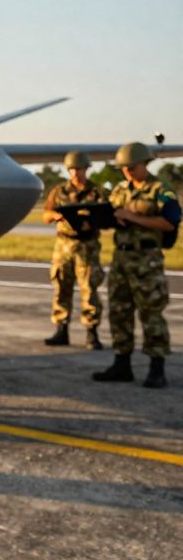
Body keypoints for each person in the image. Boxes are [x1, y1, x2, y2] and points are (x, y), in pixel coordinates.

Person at [92, 142, 177, 388]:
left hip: (147, 260)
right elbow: (112, 216)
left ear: (145, 164)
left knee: (151, 312)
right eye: (123, 168)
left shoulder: (162, 190)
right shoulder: (119, 190)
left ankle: (156, 367)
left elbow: (170, 223)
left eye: (132, 167)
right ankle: (122, 364)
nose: (127, 171)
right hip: (121, 258)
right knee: (119, 311)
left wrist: (133, 217)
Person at [40, 150, 106, 348]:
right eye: (72, 169)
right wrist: (58, 216)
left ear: (87, 169)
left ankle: (91, 333)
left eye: (79, 168)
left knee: (89, 289)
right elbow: (46, 215)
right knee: (61, 287)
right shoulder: (59, 191)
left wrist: (90, 220)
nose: (76, 173)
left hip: (88, 246)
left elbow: (106, 215)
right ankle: (62, 330)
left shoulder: (97, 192)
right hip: (63, 246)